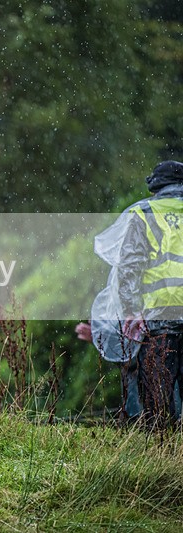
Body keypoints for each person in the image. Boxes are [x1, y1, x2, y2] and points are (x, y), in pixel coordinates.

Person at [92, 160, 183, 426]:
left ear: (156, 187)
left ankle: (160, 454)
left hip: (158, 318)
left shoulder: (143, 213)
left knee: (157, 400)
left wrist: (132, 311)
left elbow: (129, 269)